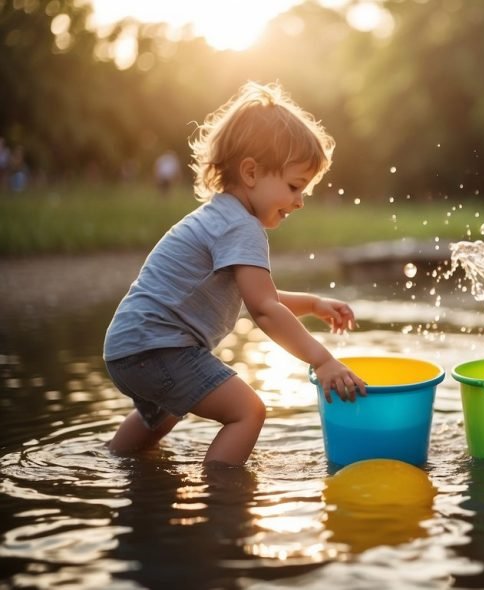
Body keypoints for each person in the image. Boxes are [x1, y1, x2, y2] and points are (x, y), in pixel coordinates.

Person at [103, 82, 367, 467]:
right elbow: (263, 309)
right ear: (251, 172)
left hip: (128, 347)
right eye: (295, 186)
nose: (300, 201)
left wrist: (312, 304)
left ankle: (114, 463)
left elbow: (258, 297)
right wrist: (322, 360)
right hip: (158, 346)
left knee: (160, 417)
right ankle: (222, 501)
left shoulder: (221, 216)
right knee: (248, 412)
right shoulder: (241, 226)